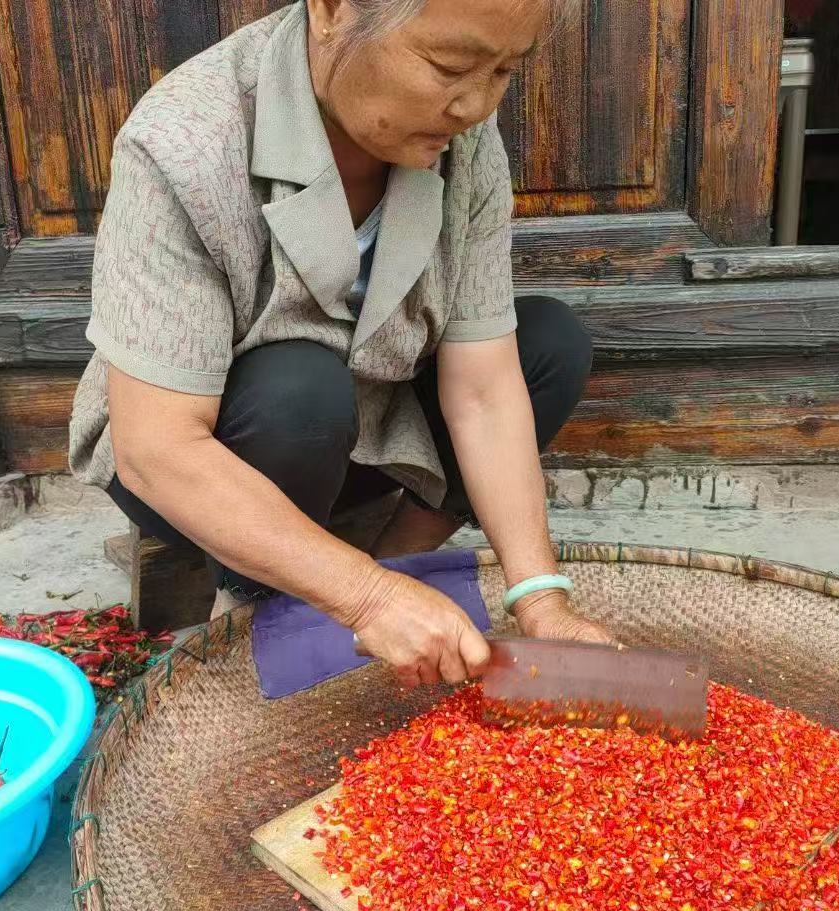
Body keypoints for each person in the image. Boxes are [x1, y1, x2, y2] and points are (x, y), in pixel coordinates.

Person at [69, 0, 612, 689]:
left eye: (504, 71)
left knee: (546, 343)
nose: (475, 105)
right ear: (331, 11)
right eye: (448, 67)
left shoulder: (463, 137)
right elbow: (159, 448)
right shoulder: (185, 141)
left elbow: (482, 390)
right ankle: (263, 604)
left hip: (369, 424)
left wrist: (541, 598)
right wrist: (366, 599)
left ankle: (399, 560)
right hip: (211, 455)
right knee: (299, 390)